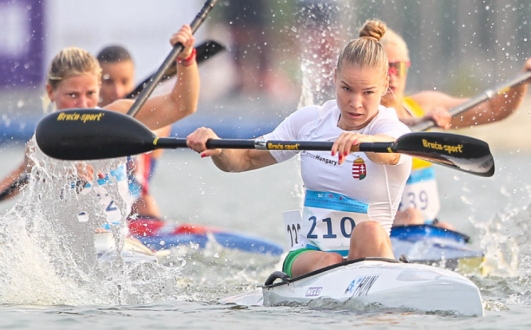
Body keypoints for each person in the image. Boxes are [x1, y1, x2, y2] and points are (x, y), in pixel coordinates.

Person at [186, 20, 411, 278]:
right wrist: (217, 146)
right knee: (331, 259)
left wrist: (364, 142)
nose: (355, 103)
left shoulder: (392, 129)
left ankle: (377, 299)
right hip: (310, 256)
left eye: (368, 92)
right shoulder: (310, 121)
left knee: (369, 231)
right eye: (346, 88)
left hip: (368, 256)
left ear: (384, 86)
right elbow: (244, 159)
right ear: (335, 77)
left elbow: (390, 151)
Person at [0, 25, 199, 238]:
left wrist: (186, 58)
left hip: (115, 238)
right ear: (51, 92)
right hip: (68, 240)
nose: (83, 104)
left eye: (90, 93)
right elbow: (27, 174)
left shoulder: (120, 116)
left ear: (98, 89)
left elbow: (183, 105)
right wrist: (63, 172)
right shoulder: (41, 142)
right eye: (72, 95)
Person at [378, 28, 531, 229]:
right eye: (385, 68)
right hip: (384, 226)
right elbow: (389, 124)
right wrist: (418, 122)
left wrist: (521, 82)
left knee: (446, 227)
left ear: (407, 68)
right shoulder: (360, 116)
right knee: (412, 216)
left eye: (397, 67)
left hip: (424, 225)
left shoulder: (423, 105)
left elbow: (494, 109)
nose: (392, 76)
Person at [96, 45, 171, 219]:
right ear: (95, 82)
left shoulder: (152, 123)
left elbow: (179, 107)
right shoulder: (79, 124)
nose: (118, 91)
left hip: (141, 217)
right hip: (96, 219)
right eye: (108, 82)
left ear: (134, 81)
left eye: (124, 82)